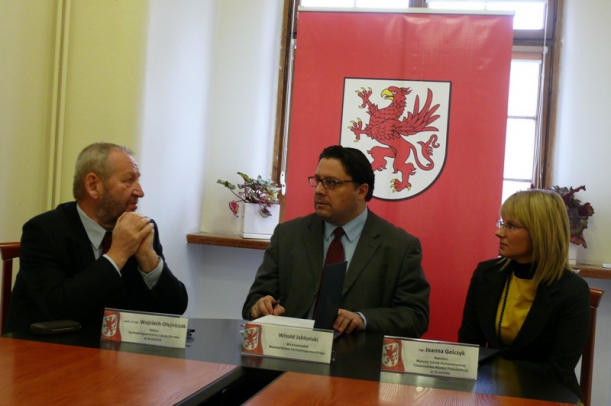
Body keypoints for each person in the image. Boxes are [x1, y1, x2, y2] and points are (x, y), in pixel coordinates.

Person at [242, 145, 430, 337]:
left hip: (355, 353)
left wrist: (363, 319)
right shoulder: (288, 235)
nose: (319, 190)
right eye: (318, 181)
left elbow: (416, 316)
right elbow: (253, 301)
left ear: (361, 191)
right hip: (289, 347)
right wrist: (260, 306)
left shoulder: (399, 246)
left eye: (331, 183)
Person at [5, 143, 188, 333]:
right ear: (93, 186)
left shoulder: (139, 229)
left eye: (138, 180)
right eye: (128, 181)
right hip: (46, 347)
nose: (140, 192)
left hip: (114, 349)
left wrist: (149, 259)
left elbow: (175, 309)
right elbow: (58, 307)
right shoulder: (44, 231)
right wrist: (117, 255)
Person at [458, 189, 590, 400]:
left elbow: (557, 370)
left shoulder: (572, 290)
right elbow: (469, 346)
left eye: (511, 226)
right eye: (502, 223)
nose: (498, 232)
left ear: (541, 232)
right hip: (491, 391)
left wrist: (494, 377)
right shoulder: (486, 274)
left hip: (547, 395)